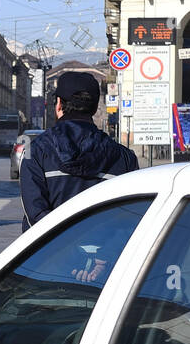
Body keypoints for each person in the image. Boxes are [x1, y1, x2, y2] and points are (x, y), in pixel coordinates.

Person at [20, 71, 137, 232]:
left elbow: (35, 213)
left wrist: (67, 244)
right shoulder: (125, 158)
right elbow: (129, 214)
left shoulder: (35, 150)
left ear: (59, 104)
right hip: (107, 253)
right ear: (95, 108)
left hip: (52, 253)